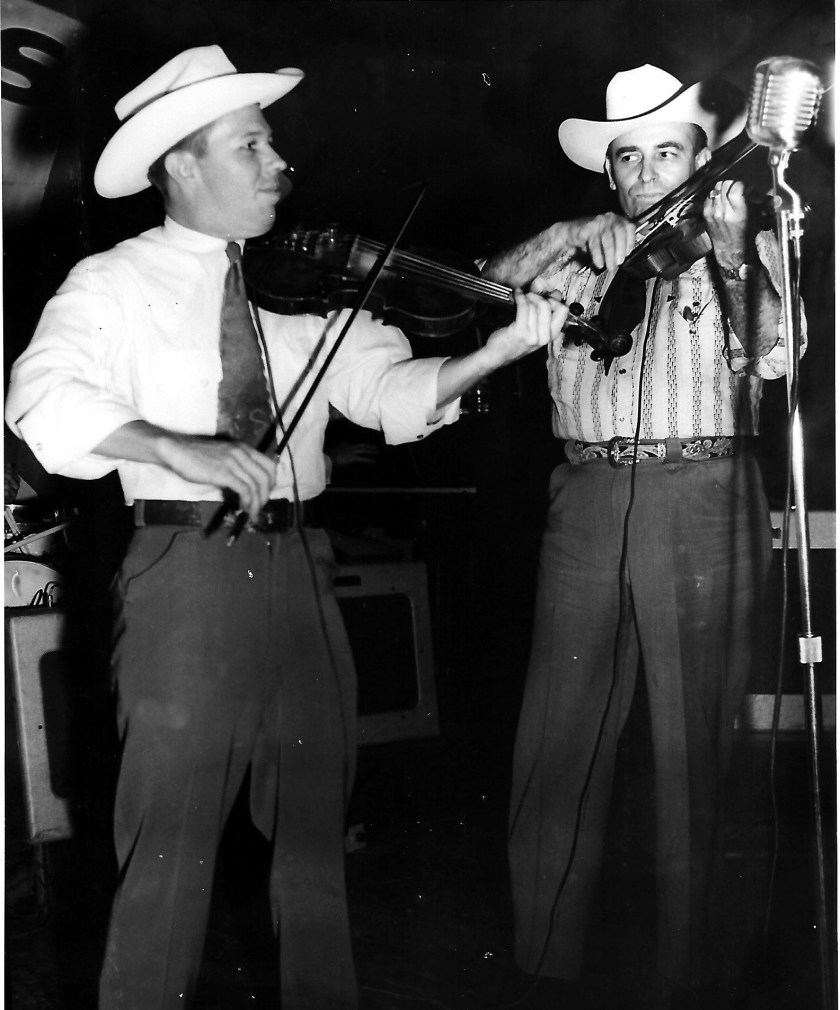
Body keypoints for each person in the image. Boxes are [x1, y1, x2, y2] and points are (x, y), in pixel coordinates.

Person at [4, 45, 567, 1010]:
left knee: (313, 841)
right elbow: (38, 401)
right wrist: (182, 448)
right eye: (253, 146)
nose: (280, 167)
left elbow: (391, 392)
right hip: (184, 569)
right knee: (168, 849)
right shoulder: (108, 283)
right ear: (183, 164)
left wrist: (503, 345)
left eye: (273, 147)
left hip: (303, 570)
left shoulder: (301, 280)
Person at [481, 65, 801, 1007]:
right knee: (557, 731)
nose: (647, 172)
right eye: (629, 157)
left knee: (694, 739)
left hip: (701, 489)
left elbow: (777, 358)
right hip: (581, 494)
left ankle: (689, 969)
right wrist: (565, 233)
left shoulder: (745, 237)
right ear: (610, 170)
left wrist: (738, 257)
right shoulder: (580, 244)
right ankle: (543, 958)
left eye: (668, 153)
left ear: (700, 159)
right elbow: (474, 292)